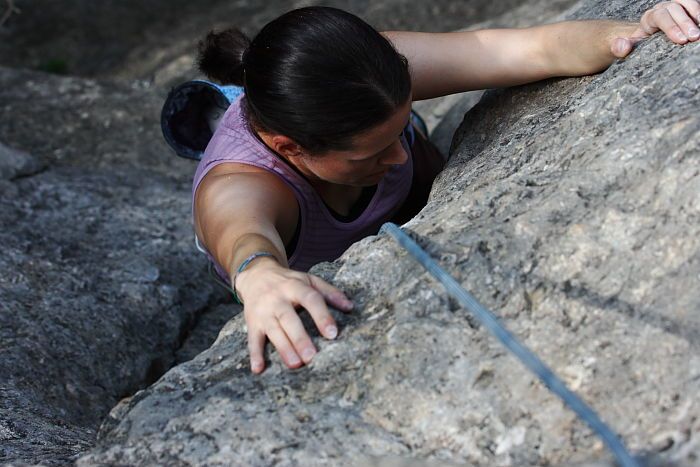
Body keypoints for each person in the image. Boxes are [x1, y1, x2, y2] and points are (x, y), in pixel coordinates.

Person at [191, 2, 700, 374]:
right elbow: (241, 233)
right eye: (370, 152)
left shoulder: (374, 71)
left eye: (400, 130)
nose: (396, 159)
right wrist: (257, 276)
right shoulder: (241, 182)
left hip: (406, 200)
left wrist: (634, 32)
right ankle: (214, 110)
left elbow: (527, 48)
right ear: (287, 148)